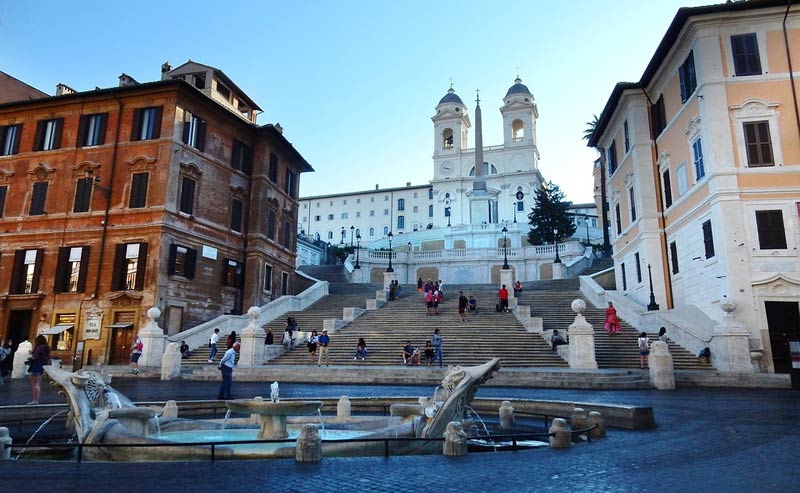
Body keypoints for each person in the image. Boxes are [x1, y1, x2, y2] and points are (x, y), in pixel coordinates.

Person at [28, 334, 50, 404]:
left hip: (36, 365)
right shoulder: (47, 347)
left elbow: (35, 357)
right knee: (38, 383)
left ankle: (35, 400)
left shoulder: (39, 347)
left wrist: (31, 355)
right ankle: (36, 400)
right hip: (42, 366)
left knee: (34, 383)